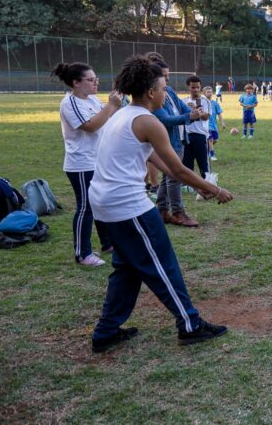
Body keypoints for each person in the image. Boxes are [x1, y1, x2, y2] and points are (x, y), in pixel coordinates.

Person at [88, 55, 234, 353]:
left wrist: (199, 185)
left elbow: (156, 159)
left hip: (105, 203)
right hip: (127, 206)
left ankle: (106, 332)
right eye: (164, 87)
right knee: (162, 265)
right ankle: (190, 325)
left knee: (127, 268)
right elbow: (179, 169)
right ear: (151, 92)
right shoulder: (147, 121)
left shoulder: (124, 115)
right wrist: (214, 189)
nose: (166, 93)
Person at [54, 62, 121, 267]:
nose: (95, 83)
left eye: (96, 79)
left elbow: (108, 119)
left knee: (101, 202)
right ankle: (82, 254)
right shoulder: (70, 103)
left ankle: (108, 244)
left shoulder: (91, 99)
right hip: (81, 164)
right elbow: (91, 126)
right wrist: (110, 106)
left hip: (98, 161)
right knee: (86, 207)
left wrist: (116, 105)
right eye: (90, 80)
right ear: (76, 83)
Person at [146, 52, 201, 228]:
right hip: (167, 142)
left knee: (167, 178)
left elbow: (182, 107)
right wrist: (189, 116)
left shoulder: (168, 91)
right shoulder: (154, 95)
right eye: (165, 76)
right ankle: (178, 213)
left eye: (168, 76)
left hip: (179, 139)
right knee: (174, 177)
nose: (168, 80)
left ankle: (162, 211)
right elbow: (164, 119)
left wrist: (193, 113)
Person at [182, 76, 211, 179]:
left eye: (198, 87)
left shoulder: (205, 101)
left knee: (203, 162)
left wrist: (196, 110)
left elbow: (206, 117)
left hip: (200, 135)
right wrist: (188, 110)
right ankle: (188, 185)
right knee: (186, 162)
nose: (196, 90)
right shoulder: (183, 101)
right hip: (187, 135)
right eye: (193, 87)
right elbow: (180, 117)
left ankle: (207, 183)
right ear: (188, 87)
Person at [203, 86, 225, 161]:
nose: (210, 93)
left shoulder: (215, 103)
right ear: (204, 93)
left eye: (210, 92)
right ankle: (212, 154)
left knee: (215, 140)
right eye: (208, 92)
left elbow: (219, 114)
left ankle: (208, 149)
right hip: (206, 125)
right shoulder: (203, 103)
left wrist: (222, 122)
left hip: (214, 125)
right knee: (210, 140)